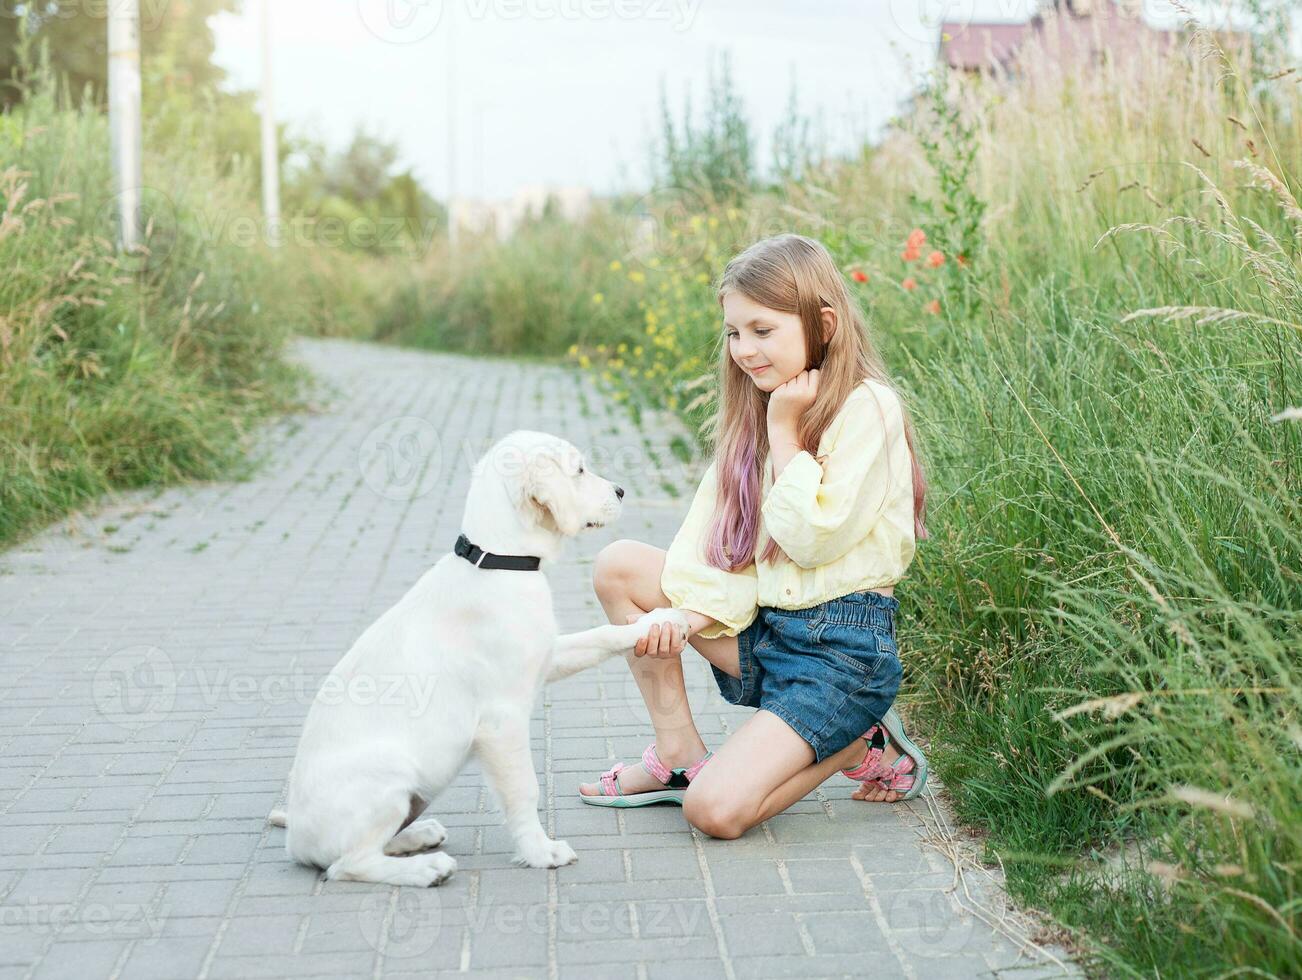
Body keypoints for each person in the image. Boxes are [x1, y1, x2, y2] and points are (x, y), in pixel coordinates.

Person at [577, 232, 931, 839]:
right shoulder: (756, 412)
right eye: (734, 332)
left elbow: (810, 538)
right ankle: (679, 756)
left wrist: (787, 433)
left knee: (714, 813)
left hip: (842, 654)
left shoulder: (867, 407)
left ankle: (852, 745)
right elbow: (710, 547)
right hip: (770, 632)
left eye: (762, 330)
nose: (744, 349)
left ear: (823, 324)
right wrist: (687, 618)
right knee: (619, 565)